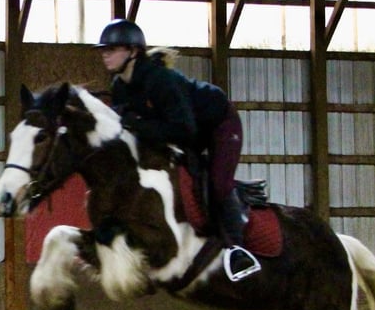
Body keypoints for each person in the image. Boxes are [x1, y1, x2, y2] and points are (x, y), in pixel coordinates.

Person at [95, 18, 260, 281]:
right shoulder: (119, 88)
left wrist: (138, 124)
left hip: (218, 124)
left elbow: (185, 129)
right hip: (182, 132)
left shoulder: (161, 80)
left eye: (112, 49)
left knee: (217, 182)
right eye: (103, 50)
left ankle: (237, 250)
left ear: (133, 51)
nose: (105, 55)